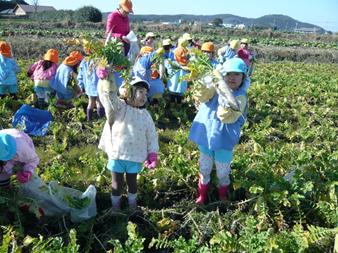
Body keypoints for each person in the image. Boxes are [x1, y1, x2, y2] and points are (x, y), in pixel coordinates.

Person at [189, 58, 250, 205]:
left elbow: (224, 116)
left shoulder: (240, 97)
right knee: (204, 168)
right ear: (223, 74)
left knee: (223, 172)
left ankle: (222, 196)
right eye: (228, 74)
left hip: (224, 139)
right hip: (206, 136)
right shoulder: (213, 89)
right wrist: (206, 81)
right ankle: (202, 196)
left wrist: (223, 89)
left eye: (237, 74)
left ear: (243, 77)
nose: (232, 77)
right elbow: (200, 95)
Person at [97, 70, 159, 211]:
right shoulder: (119, 107)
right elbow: (107, 97)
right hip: (117, 154)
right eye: (140, 92)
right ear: (128, 92)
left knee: (132, 183)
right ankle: (116, 208)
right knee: (116, 184)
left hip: (135, 156)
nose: (144, 96)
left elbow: (151, 135)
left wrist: (153, 154)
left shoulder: (145, 115)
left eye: (145, 93)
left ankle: (132, 207)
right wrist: (105, 79)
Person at [77, 44, 104, 121]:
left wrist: (81, 85)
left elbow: (80, 75)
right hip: (98, 86)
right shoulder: (99, 60)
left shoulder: (84, 60)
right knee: (99, 102)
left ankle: (89, 120)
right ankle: (101, 120)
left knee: (91, 102)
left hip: (89, 86)